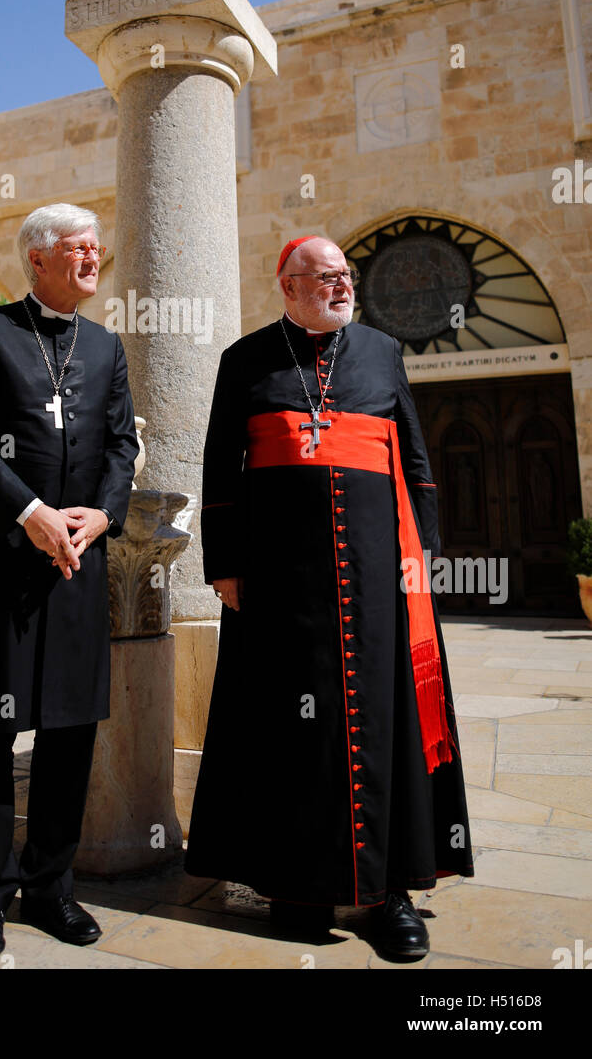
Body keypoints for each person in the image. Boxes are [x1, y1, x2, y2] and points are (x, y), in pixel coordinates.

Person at [184, 234, 473, 958]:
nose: (343, 285)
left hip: (379, 583)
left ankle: (389, 894)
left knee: (384, 726)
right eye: (326, 276)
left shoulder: (381, 352)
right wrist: (224, 565)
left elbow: (414, 458)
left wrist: (424, 554)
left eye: (346, 275)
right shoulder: (245, 361)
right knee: (290, 732)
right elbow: (220, 469)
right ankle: (297, 887)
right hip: (281, 588)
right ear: (288, 287)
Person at [0, 203, 138, 962]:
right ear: (39, 258)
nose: (94, 257)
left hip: (75, 568)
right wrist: (30, 512)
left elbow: (122, 443)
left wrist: (101, 518)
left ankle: (51, 887)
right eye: (80, 248)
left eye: (96, 248)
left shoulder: (107, 348)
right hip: (1, 566)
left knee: (70, 732)